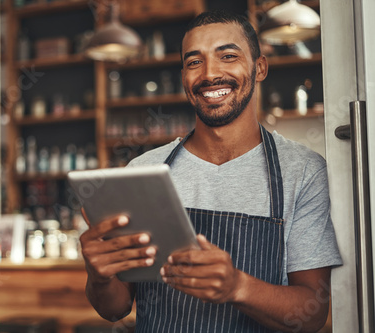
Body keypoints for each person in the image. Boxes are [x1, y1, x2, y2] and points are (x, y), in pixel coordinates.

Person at [79, 9, 342, 333]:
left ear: (259, 68)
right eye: (194, 62)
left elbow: (312, 314)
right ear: (184, 77)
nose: (209, 74)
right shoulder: (144, 171)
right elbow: (115, 309)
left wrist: (237, 287)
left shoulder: (302, 172)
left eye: (227, 56)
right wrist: (99, 275)